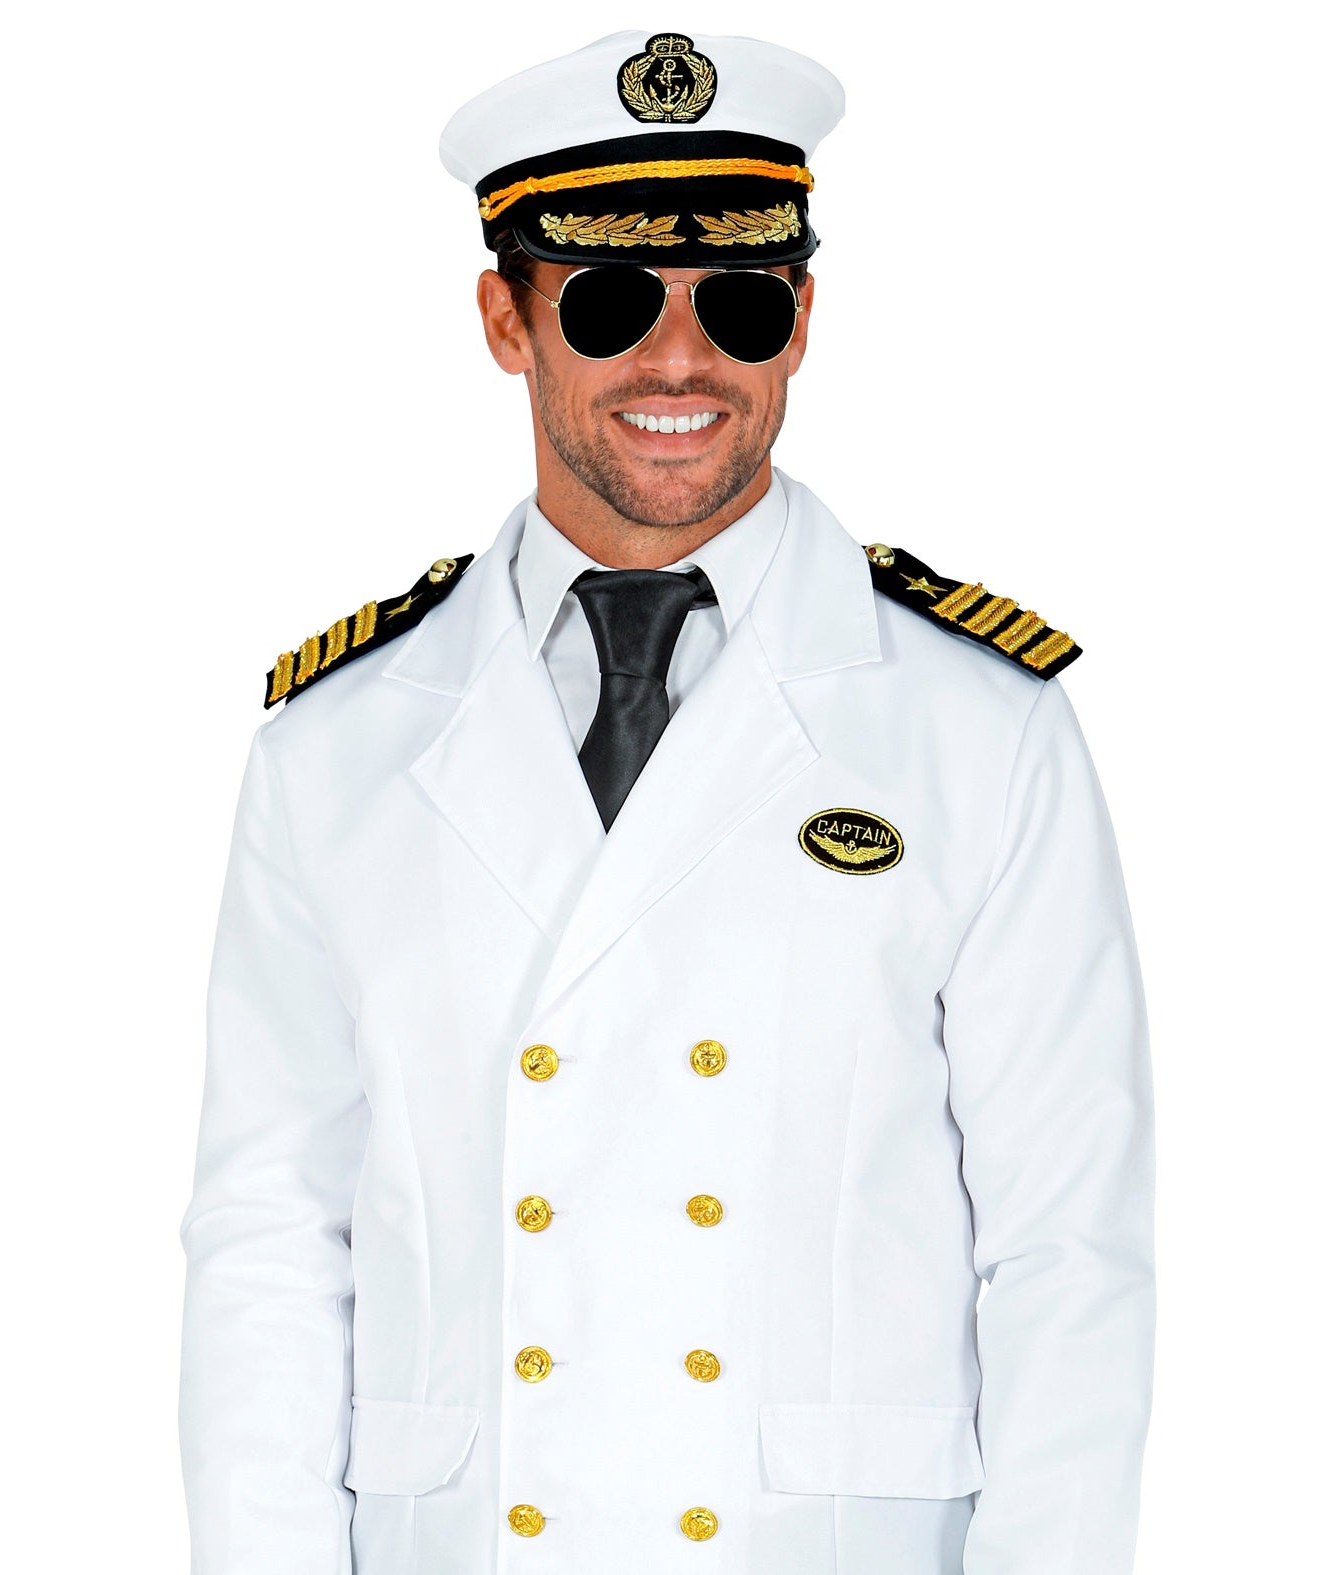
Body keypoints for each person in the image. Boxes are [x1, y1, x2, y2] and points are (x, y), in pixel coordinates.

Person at [177, 28, 1155, 1575]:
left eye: (740, 302)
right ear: (505, 320)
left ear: (802, 323)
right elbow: (269, 1245)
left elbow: (1067, 1252)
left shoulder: (980, 728)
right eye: (612, 301)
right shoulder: (337, 746)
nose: (681, 361)